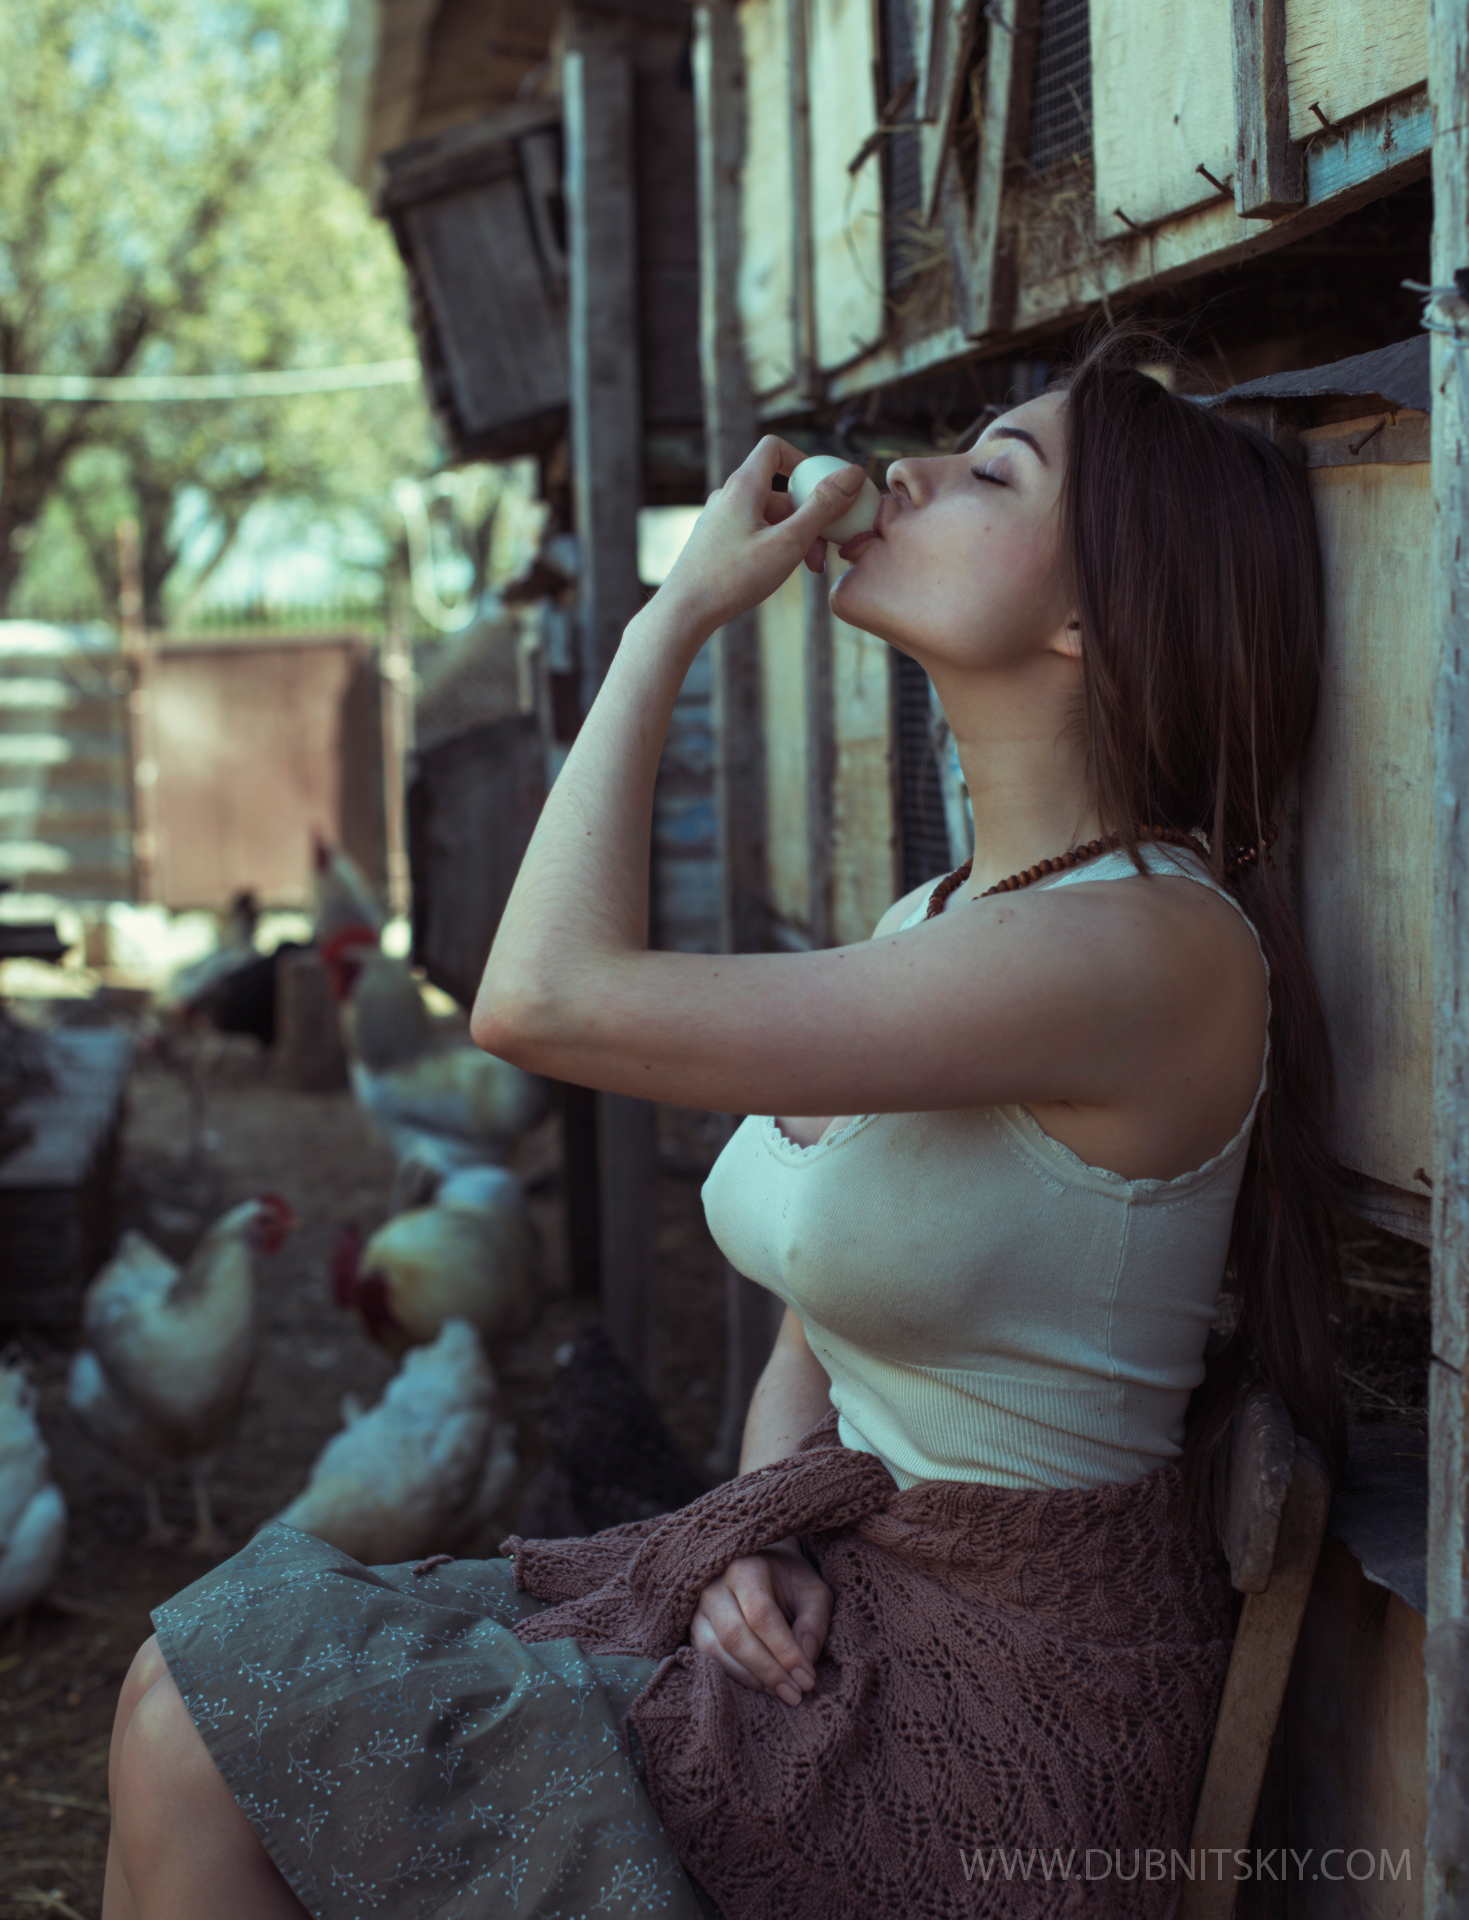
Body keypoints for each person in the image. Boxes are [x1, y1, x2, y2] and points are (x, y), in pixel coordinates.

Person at [102, 330, 1346, 1919]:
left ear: (1090, 616)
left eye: (991, 471)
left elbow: (535, 1000)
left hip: (988, 1723)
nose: (905, 475)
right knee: (172, 1693)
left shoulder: (1141, 948)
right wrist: (753, 1528)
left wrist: (671, 617)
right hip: (840, 1613)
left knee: (201, 1741)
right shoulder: (937, 919)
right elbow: (813, 1331)